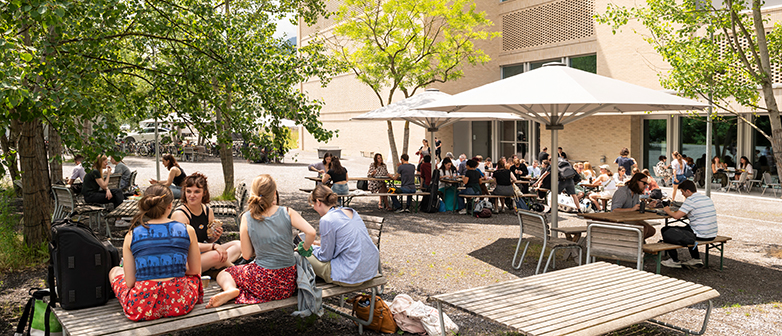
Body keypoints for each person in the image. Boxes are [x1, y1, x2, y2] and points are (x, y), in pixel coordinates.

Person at [206, 174, 317, 308]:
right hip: (287, 284)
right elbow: (311, 232)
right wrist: (304, 248)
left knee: (225, 273)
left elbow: (246, 255)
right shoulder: (287, 211)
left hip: (262, 283)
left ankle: (230, 289)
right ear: (274, 193)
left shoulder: (247, 217)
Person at [108, 184, 202, 321]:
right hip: (179, 303)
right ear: (170, 205)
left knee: (115, 271)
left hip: (142, 307)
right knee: (194, 278)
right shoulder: (187, 230)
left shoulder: (132, 235)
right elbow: (195, 270)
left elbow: (130, 282)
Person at [306, 186, 380, 286]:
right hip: (369, 270)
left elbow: (325, 256)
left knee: (301, 255)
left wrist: (311, 248)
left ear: (318, 202)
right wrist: (320, 244)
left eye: (313, 204)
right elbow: (345, 243)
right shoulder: (350, 211)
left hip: (350, 275)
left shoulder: (327, 219)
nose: (314, 208)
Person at [171, 173, 242, 273]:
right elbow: (186, 245)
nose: (191, 195)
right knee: (217, 254)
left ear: (204, 193)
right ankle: (235, 270)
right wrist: (213, 246)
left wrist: (214, 238)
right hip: (186, 261)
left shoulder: (208, 211)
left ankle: (216, 265)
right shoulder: (180, 214)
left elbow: (208, 240)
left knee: (238, 245)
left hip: (202, 254)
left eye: (196, 192)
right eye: (188, 191)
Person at [661, 180, 718, 268]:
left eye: (682, 192)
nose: (683, 195)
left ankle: (674, 260)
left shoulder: (690, 199)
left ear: (688, 191)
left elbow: (676, 216)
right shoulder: (706, 198)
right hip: (712, 234)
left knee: (666, 230)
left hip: (700, 234)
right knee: (688, 228)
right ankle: (696, 259)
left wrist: (667, 210)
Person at [610, 173, 657, 239]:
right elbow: (614, 210)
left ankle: (638, 244)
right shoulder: (622, 192)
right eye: (644, 183)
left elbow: (636, 207)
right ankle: (635, 245)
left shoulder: (635, 192)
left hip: (631, 219)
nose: (645, 185)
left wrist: (648, 206)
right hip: (621, 220)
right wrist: (631, 209)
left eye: (647, 184)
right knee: (643, 229)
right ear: (637, 181)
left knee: (651, 230)